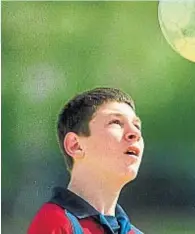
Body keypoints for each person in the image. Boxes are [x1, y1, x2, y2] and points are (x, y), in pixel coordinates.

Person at [28, 87, 144, 234]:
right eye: (115, 122)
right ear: (75, 145)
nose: (135, 133)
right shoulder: (55, 223)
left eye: (137, 126)